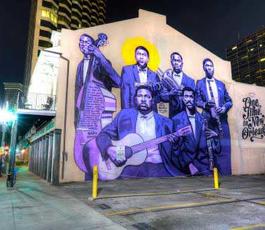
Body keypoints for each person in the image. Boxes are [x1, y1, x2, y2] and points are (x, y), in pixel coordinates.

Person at [96, 85, 181, 178]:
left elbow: (175, 154)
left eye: (147, 96)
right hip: (129, 168)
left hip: (158, 168)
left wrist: (176, 144)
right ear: (135, 99)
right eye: (140, 96)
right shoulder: (124, 116)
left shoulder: (166, 122)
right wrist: (109, 149)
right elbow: (103, 135)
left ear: (152, 100)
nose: (143, 99)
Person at [171, 87, 221, 176]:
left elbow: (214, 148)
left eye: (191, 97)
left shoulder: (202, 119)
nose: (189, 99)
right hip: (186, 167)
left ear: (194, 99)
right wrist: (189, 165)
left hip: (204, 166)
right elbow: (176, 149)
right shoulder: (176, 120)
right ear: (182, 98)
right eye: (186, 96)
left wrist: (215, 136)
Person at [195, 58, 233, 175]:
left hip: (222, 121)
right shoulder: (199, 83)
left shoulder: (220, 84)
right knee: (209, 149)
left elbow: (229, 101)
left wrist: (224, 108)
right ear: (204, 68)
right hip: (208, 121)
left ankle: (226, 174)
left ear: (213, 68)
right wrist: (205, 104)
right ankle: (210, 176)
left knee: (224, 147)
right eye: (207, 65)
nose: (209, 67)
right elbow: (197, 100)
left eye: (211, 65)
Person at [75, 33, 121, 127]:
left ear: (93, 45)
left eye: (86, 42)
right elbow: (78, 92)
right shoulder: (80, 65)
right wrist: (77, 118)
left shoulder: (102, 63)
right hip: (85, 114)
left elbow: (117, 82)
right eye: (81, 41)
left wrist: (99, 55)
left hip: (100, 112)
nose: (83, 44)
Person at [120, 46, 161, 111]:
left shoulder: (154, 75)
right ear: (135, 56)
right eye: (139, 54)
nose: (141, 57)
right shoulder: (127, 70)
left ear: (148, 59)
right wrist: (126, 114)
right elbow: (125, 95)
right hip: (132, 111)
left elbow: (158, 98)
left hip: (150, 113)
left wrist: (154, 90)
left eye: (144, 55)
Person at [161, 52, 195, 118]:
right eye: (174, 60)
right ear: (171, 62)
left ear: (182, 63)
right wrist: (171, 93)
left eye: (178, 61)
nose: (176, 63)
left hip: (187, 115)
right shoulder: (166, 78)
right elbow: (162, 97)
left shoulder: (190, 81)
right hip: (172, 115)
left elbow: (194, 101)